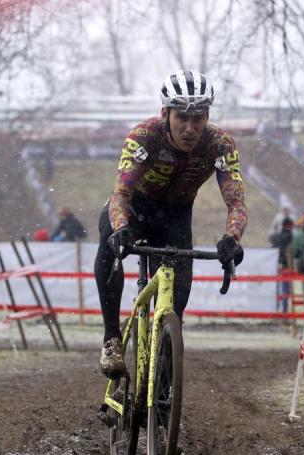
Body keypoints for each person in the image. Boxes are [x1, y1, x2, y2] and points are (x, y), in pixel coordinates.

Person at [95, 69, 247, 377]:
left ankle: (163, 358)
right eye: (182, 118)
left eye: (199, 118)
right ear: (165, 113)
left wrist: (232, 237)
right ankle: (112, 338)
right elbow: (120, 194)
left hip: (176, 217)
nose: (190, 128)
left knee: (175, 307)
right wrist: (121, 228)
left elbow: (237, 203)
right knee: (109, 239)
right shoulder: (144, 135)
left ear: (208, 116)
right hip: (134, 209)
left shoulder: (219, 143)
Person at [269, 215, 295, 313]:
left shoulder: (275, 237)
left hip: (275, 264)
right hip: (285, 265)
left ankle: (276, 309)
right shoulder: (290, 237)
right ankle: (284, 310)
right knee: (285, 289)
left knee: (276, 288)